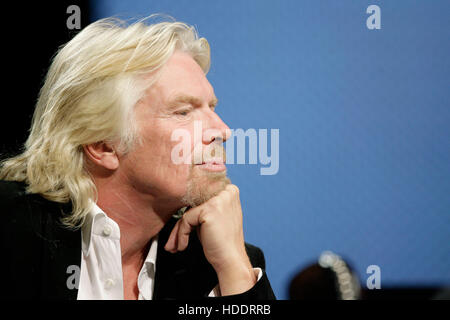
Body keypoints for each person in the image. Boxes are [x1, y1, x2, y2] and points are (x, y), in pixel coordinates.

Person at [0, 16, 275, 300]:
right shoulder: (10, 228)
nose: (223, 130)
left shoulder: (220, 262)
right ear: (103, 144)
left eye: (211, 107)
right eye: (183, 112)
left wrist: (234, 268)